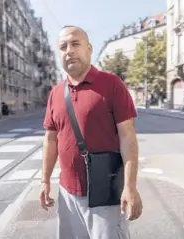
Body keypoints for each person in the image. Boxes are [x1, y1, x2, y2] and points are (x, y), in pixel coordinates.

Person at [39, 25, 142, 239]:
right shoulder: (56, 93)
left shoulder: (111, 84)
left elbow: (127, 137)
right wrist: (45, 181)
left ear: (89, 48)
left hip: (106, 195)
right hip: (67, 193)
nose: (69, 50)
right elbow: (51, 140)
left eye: (76, 44)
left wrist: (130, 187)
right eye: (63, 46)